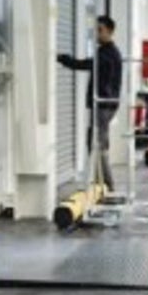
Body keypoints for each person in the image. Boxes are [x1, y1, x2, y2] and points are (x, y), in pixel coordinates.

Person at [59, 15, 123, 190]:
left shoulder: (108, 53)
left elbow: (87, 64)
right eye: (96, 29)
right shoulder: (107, 51)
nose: (97, 33)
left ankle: (107, 185)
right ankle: (100, 182)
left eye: (100, 30)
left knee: (97, 145)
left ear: (109, 31)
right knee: (95, 142)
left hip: (104, 104)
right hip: (105, 104)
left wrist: (66, 60)